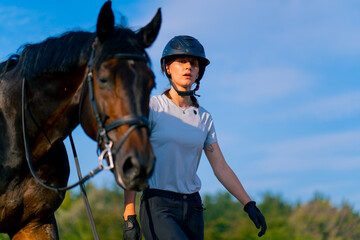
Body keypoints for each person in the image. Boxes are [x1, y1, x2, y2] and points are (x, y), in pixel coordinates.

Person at [122, 35, 267, 240]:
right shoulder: (153, 107)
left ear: (200, 71)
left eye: (194, 63)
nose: (188, 66)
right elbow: (133, 159)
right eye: (181, 61)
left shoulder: (204, 118)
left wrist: (248, 204)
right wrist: (129, 216)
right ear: (167, 68)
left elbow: (221, 168)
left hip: (193, 208)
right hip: (158, 205)